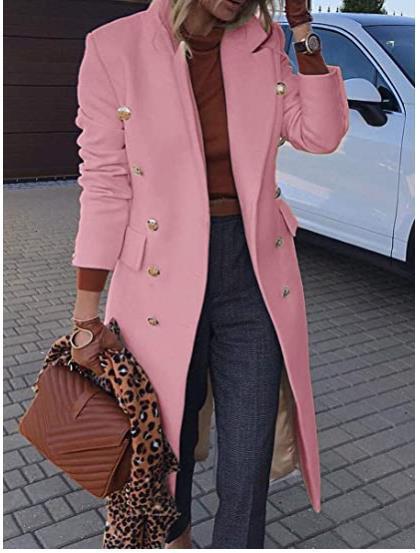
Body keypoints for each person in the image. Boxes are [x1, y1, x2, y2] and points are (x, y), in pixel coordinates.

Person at [70, 0, 349, 548]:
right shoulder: (114, 47)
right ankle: (172, 538)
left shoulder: (262, 43)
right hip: (160, 278)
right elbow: (103, 182)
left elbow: (321, 134)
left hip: (252, 272)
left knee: (249, 455)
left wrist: (302, 30)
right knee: (163, 443)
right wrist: (85, 313)